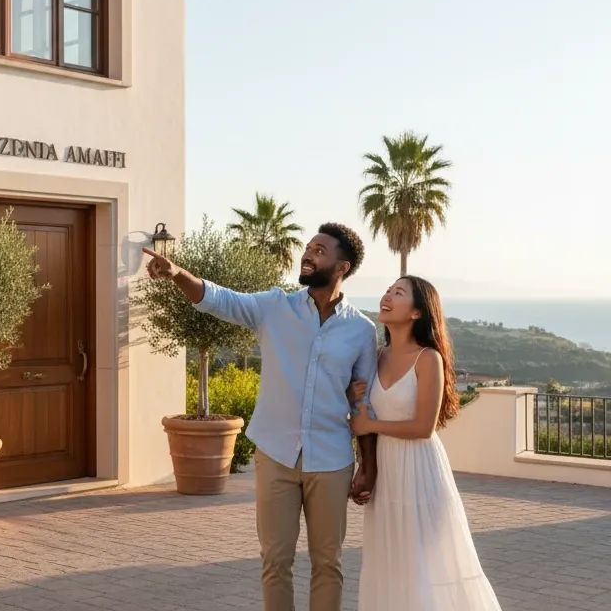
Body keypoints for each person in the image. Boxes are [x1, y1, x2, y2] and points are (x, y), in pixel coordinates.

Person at [145, 222, 378, 611]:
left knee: (328, 563)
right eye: (308, 247)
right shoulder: (275, 307)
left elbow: (363, 404)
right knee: (275, 561)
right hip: (275, 454)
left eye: (320, 251)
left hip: (332, 459)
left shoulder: (361, 330)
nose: (308, 254)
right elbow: (220, 299)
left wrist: (368, 465)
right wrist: (177, 274)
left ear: (342, 267)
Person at [349, 276, 503, 610]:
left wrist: (370, 424)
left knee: (424, 565)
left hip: (419, 469)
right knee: (389, 562)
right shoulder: (376, 357)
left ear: (417, 312)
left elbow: (423, 427)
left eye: (398, 293)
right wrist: (365, 463)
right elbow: (363, 412)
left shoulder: (428, 359)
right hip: (386, 472)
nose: (387, 296)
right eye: (388, 290)